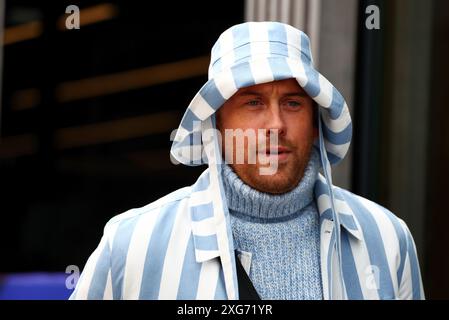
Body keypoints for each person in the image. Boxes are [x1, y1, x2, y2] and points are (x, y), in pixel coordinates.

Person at [70, 21, 424, 300]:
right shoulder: (133, 246)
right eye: (253, 102)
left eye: (293, 103)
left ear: (315, 124)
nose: (276, 125)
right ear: (217, 125)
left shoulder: (387, 240)